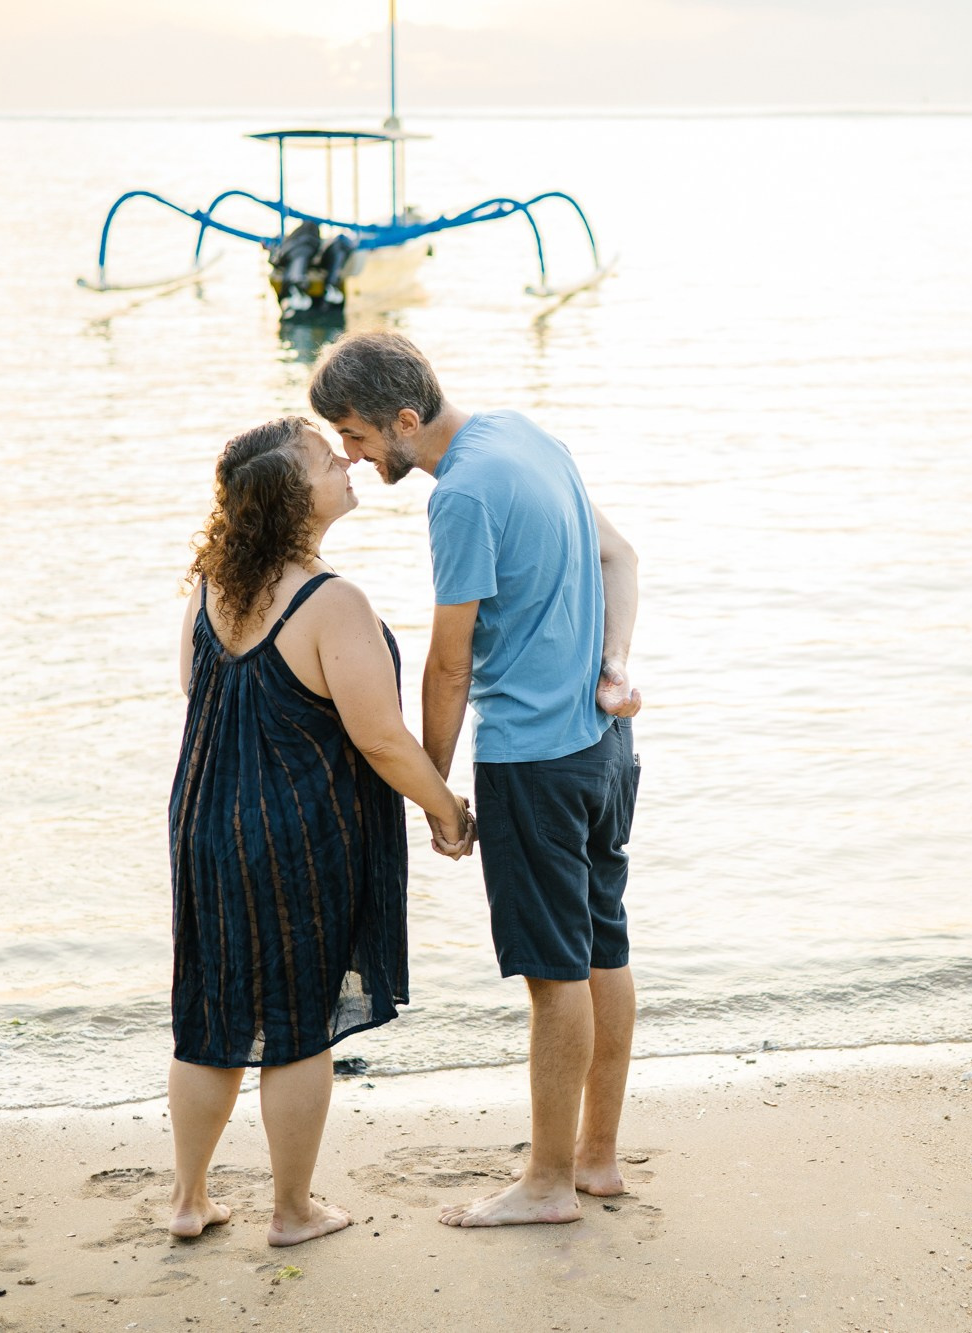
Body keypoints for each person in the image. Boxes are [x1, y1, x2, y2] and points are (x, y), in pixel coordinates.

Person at [309, 331, 643, 1229]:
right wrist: (614, 666)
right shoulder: (527, 437)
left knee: (552, 975)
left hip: (534, 761)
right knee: (603, 948)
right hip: (605, 750)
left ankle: (546, 1185)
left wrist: (440, 794)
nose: (352, 454)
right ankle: (596, 1159)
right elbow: (620, 556)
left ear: (405, 419)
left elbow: (448, 663)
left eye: (356, 435)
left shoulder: (458, 496)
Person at [165, 415, 474, 1246]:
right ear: (291, 499)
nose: (345, 461)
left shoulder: (208, 586)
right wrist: (447, 808)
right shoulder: (331, 601)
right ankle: (293, 1210)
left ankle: (190, 1199)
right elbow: (378, 736)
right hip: (293, 830)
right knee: (297, 1022)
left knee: (212, 1011)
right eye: (323, 458)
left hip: (202, 818)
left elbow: (198, 689)